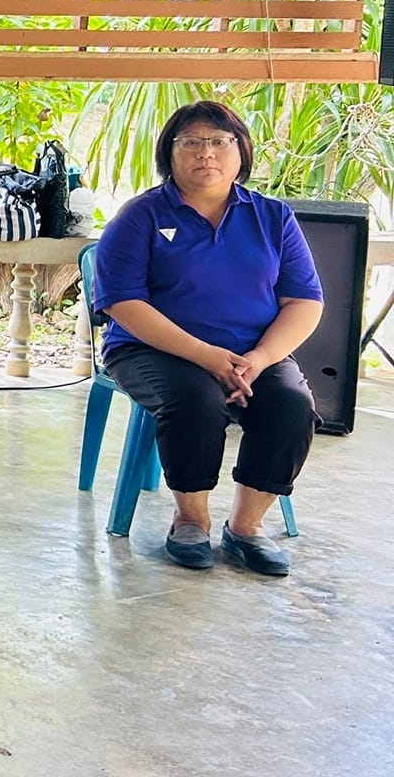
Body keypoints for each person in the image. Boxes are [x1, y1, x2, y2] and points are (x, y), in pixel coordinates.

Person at [94, 100, 323, 576]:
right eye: (192, 142)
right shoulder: (140, 217)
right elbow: (123, 303)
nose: (206, 153)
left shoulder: (273, 217)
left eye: (220, 141)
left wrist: (258, 359)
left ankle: (246, 528)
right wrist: (206, 356)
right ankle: (190, 520)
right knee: (195, 400)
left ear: (241, 151)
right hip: (151, 350)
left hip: (251, 352)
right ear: (170, 153)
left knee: (290, 403)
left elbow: (304, 301)